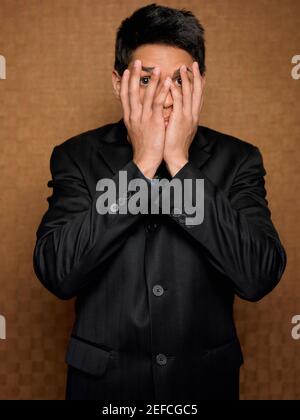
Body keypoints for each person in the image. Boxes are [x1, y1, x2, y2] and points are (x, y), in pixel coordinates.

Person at [33, 3, 287, 400]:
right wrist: (143, 163)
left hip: (203, 386)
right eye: (147, 80)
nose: (165, 98)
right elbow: (58, 272)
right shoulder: (76, 157)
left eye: (181, 80)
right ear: (119, 83)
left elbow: (258, 275)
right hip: (105, 389)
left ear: (200, 83)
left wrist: (181, 164)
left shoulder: (238, 159)